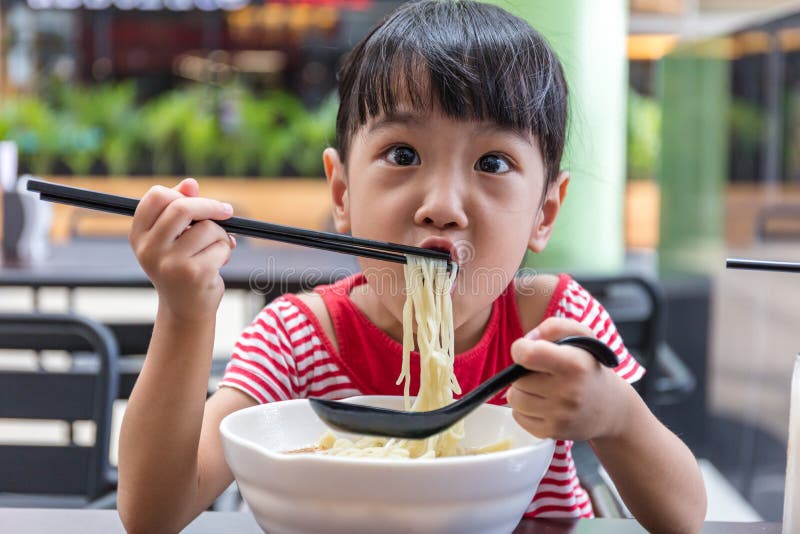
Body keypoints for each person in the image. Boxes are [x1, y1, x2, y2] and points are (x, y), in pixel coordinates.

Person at [117, 1, 706, 532]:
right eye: (403, 155)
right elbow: (153, 513)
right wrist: (185, 311)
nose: (443, 207)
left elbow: (682, 517)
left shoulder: (556, 326)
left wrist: (616, 416)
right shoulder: (296, 342)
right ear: (342, 193)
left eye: (493, 162)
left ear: (544, 212)